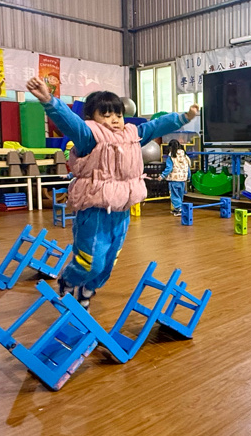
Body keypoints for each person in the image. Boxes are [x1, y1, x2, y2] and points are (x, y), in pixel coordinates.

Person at [25, 77, 198, 308]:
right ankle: (68, 280)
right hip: (95, 211)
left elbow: (155, 126)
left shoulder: (131, 135)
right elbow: (69, 122)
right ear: (92, 118)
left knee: (108, 262)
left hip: (121, 210)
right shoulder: (88, 136)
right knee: (91, 262)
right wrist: (49, 100)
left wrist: (183, 117)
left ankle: (87, 290)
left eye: (118, 114)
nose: (114, 120)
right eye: (106, 115)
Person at [160, 139, 190, 216]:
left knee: (174, 195)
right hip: (183, 179)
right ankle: (179, 208)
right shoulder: (184, 156)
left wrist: (162, 175)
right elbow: (188, 168)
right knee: (180, 195)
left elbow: (169, 168)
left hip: (174, 179)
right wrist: (188, 176)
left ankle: (179, 209)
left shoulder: (171, 157)